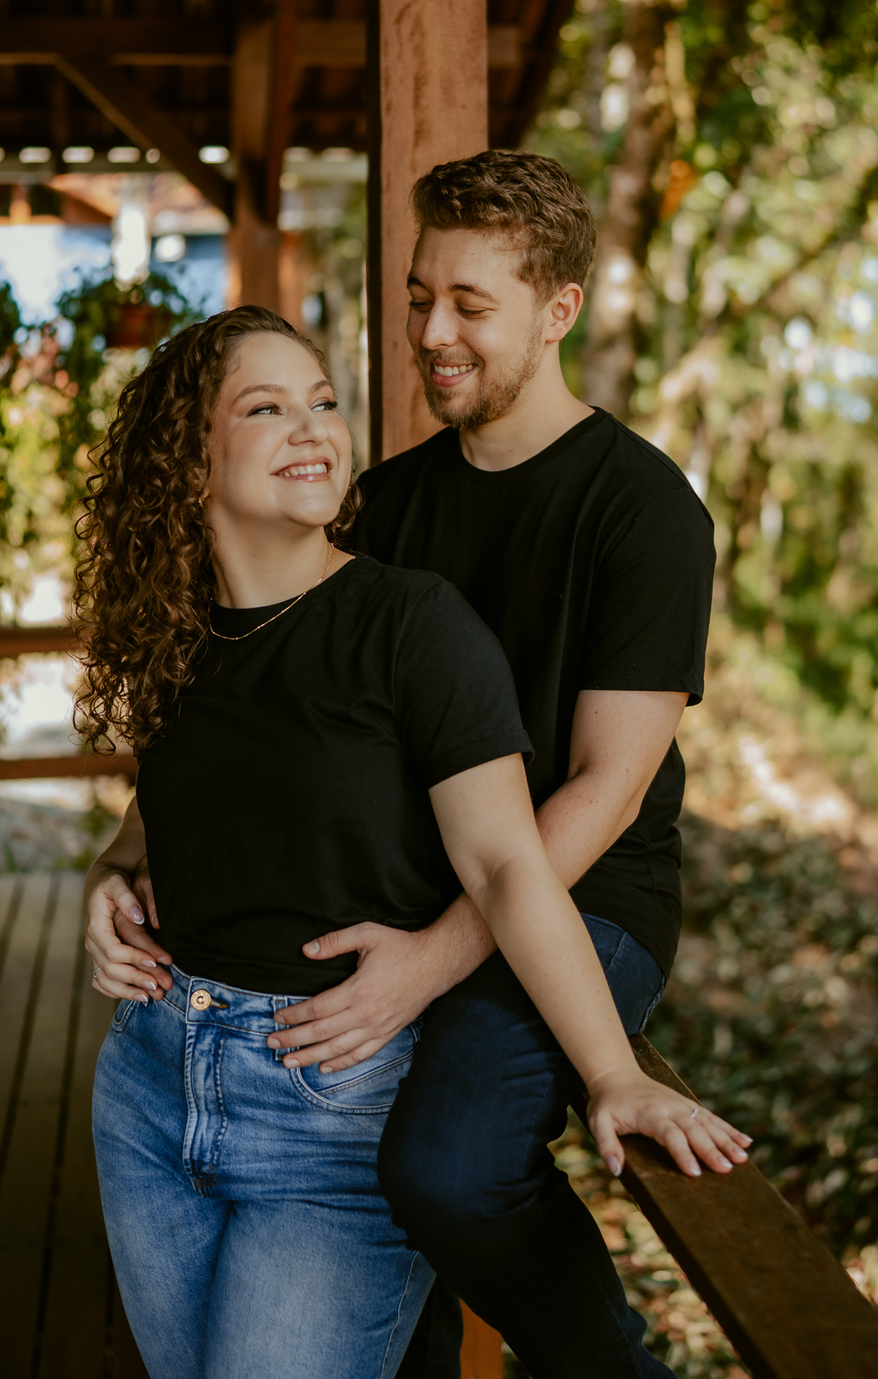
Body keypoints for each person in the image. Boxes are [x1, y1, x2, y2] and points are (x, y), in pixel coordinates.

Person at [89, 151, 727, 1376]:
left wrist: (436, 959)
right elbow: (260, 711)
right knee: (393, 1220)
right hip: (411, 886)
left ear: (559, 312)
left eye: (471, 306)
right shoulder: (379, 502)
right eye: (421, 296)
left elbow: (604, 789)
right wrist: (125, 862)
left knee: (443, 1166)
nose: (432, 334)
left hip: (584, 892)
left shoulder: (641, 509)